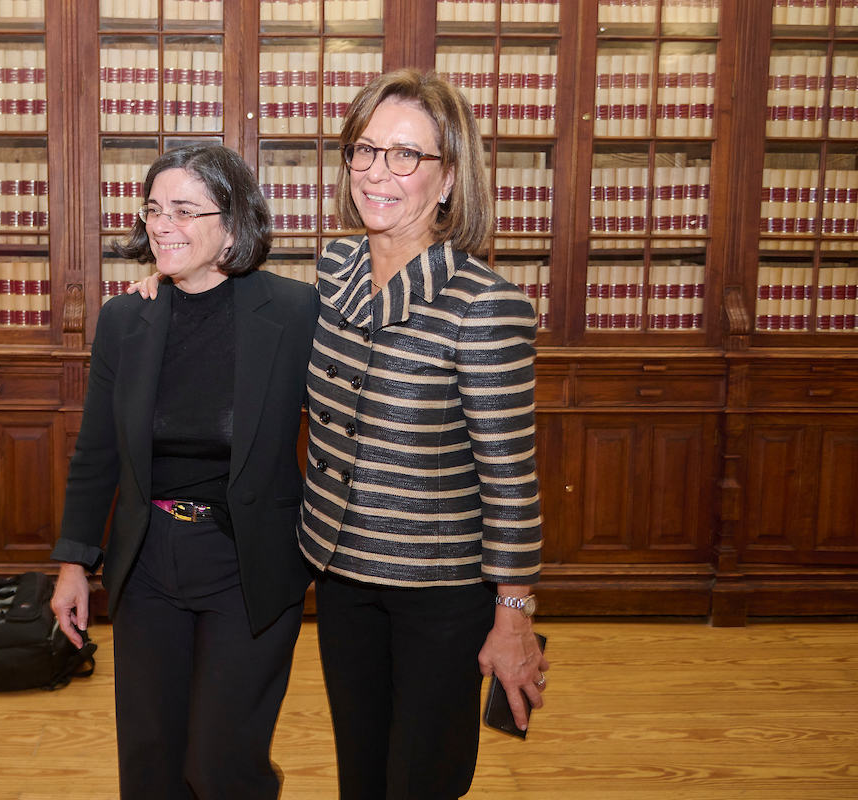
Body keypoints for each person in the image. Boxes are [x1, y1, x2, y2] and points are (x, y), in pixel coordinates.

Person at [299, 68, 548, 800]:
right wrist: (167, 283)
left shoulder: (485, 305)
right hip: (341, 577)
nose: (379, 172)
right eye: (365, 150)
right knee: (361, 776)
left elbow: (511, 476)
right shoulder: (335, 267)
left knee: (422, 781)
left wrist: (514, 617)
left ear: (447, 180)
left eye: (406, 155)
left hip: (438, 596)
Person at [49, 144, 319, 800]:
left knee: (222, 764)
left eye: (184, 210)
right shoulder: (125, 320)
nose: (162, 225)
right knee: (152, 762)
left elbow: (347, 432)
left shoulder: (295, 312)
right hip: (148, 563)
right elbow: (97, 451)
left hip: (247, 564)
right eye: (153, 209)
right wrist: (73, 563)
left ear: (233, 223)